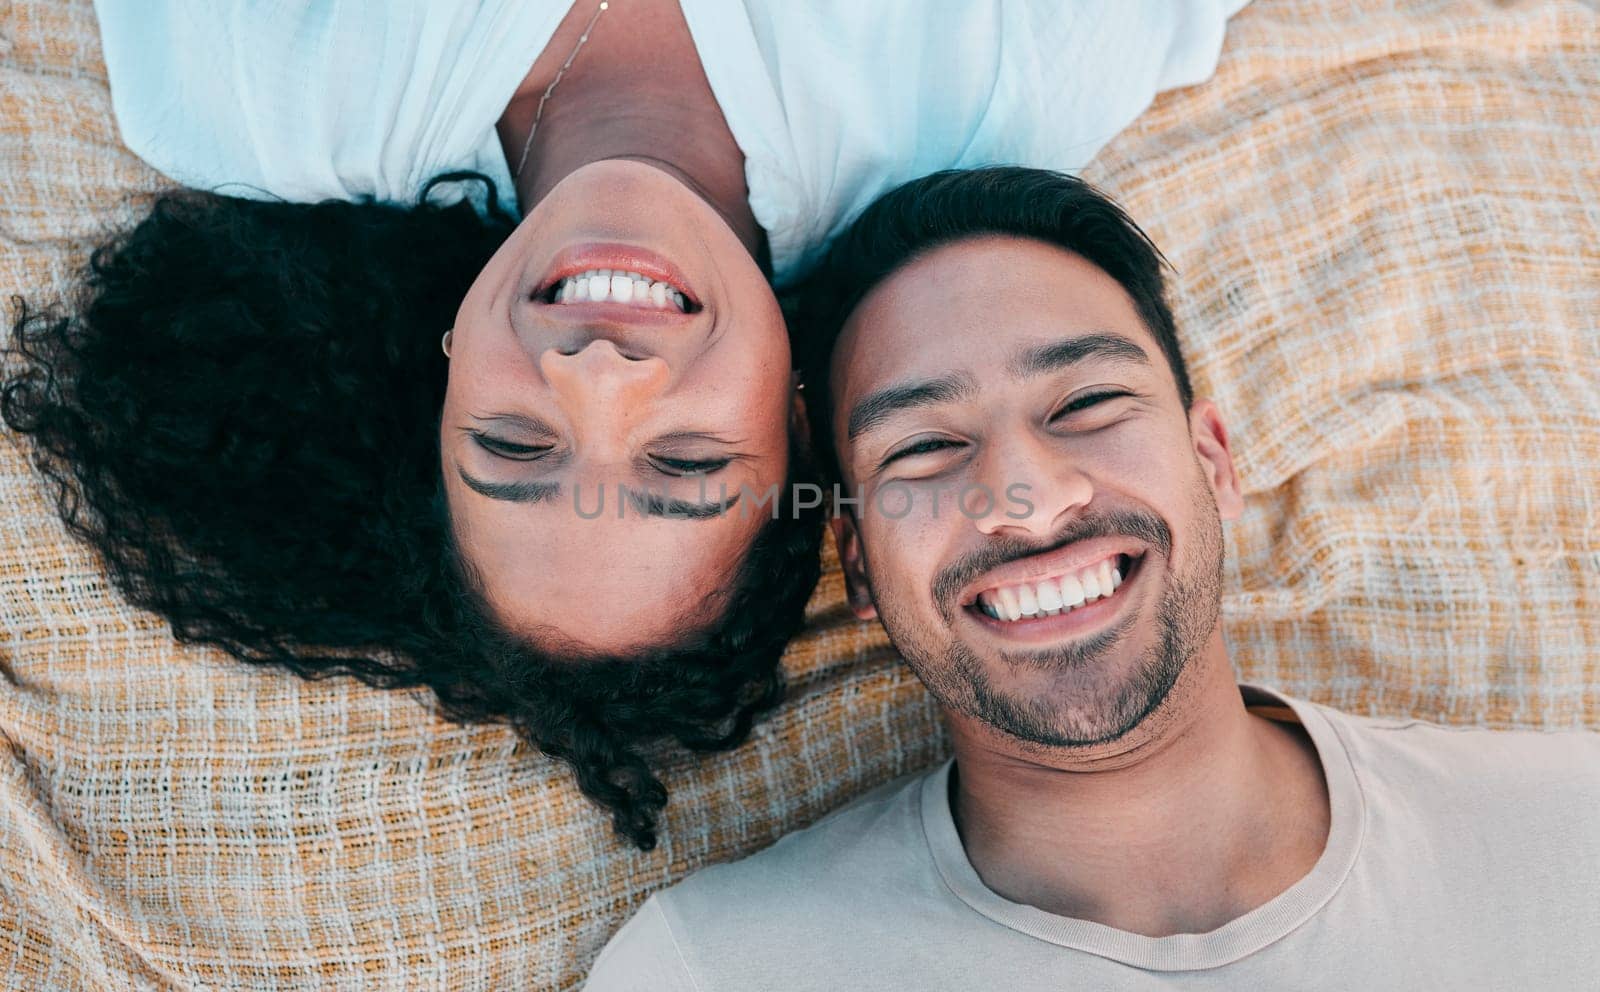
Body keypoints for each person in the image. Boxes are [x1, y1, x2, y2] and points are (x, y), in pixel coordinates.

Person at [1, 1, 1246, 847]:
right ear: (801, 429)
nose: (596, 376)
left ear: (444, 378)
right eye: (688, 461)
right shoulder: (1008, 78)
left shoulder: (249, 98)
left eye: (512, 445)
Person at [581, 167, 1600, 988]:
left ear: (1214, 461)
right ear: (856, 558)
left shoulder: (1574, 838)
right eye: (926, 446)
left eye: (1086, 401)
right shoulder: (714, 968)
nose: (1024, 495)